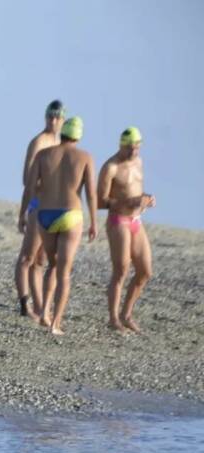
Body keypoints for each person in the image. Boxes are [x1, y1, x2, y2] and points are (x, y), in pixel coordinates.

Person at [19, 116, 97, 335]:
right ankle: (56, 323)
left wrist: (22, 214)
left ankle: (44, 312)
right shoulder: (84, 157)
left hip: (45, 215)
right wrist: (93, 222)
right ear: (78, 136)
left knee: (51, 265)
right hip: (71, 214)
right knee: (64, 271)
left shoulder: (44, 155)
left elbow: (30, 187)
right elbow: (91, 192)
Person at [98, 127, 156, 333]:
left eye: (137, 147)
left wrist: (146, 198)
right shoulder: (110, 167)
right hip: (118, 220)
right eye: (130, 148)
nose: (134, 152)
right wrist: (128, 201)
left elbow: (136, 190)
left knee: (145, 271)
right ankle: (113, 318)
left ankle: (127, 314)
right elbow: (100, 201)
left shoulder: (139, 163)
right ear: (121, 146)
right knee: (121, 269)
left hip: (136, 220)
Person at [15, 100, 66, 318]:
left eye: (56, 117)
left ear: (63, 120)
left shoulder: (60, 142)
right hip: (38, 204)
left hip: (53, 206)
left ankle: (38, 305)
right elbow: (27, 178)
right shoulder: (39, 142)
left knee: (40, 260)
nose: (52, 121)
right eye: (49, 117)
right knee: (27, 257)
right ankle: (24, 304)